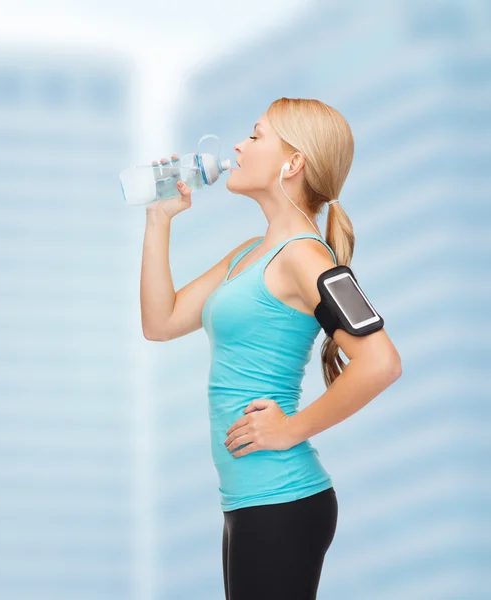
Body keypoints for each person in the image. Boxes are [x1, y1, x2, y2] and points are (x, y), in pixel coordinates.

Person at [140, 97, 402, 600]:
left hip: (282, 500)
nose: (238, 145)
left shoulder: (305, 258)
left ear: (293, 162)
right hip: (247, 501)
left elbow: (381, 362)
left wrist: (289, 429)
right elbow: (161, 321)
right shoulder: (248, 254)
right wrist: (160, 220)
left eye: (256, 136)